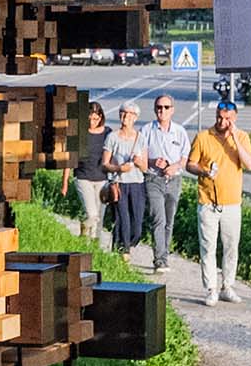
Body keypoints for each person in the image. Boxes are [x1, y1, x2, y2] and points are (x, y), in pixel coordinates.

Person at [187, 98, 251, 305]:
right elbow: (190, 164)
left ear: (234, 119)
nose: (221, 121)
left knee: (231, 246)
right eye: (219, 116)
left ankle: (228, 285)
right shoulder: (203, 137)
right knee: (208, 246)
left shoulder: (242, 137)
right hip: (208, 201)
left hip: (232, 203)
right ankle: (211, 288)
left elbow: (249, 164)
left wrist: (234, 136)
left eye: (226, 118)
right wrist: (203, 171)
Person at [133, 91, 194, 271]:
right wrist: (153, 161)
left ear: (172, 110)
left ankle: (165, 253)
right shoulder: (147, 130)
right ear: (154, 110)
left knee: (169, 220)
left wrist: (174, 166)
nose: (162, 110)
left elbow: (185, 156)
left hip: (173, 180)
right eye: (159, 107)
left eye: (166, 107)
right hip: (154, 179)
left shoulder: (179, 131)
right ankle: (159, 259)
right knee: (158, 218)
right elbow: (140, 156)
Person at [103, 106, 153, 255]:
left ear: (136, 117)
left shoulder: (140, 138)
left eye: (130, 114)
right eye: (123, 113)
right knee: (122, 220)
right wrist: (119, 168)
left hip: (137, 185)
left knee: (136, 224)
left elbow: (145, 168)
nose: (126, 116)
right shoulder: (112, 137)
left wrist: (139, 162)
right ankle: (123, 252)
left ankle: (126, 244)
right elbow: (105, 164)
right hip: (119, 184)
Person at [74, 101, 112, 238]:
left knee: (99, 216)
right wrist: (65, 181)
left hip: (102, 178)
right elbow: (70, 157)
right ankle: (84, 230)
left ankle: (93, 245)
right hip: (83, 176)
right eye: (89, 118)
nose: (92, 122)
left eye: (95, 119)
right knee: (92, 213)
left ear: (101, 118)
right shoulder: (79, 132)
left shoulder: (108, 133)